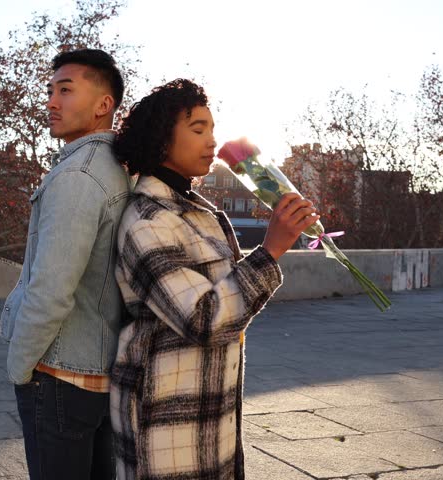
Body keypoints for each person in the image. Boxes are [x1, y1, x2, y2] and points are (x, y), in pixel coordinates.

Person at [109, 79, 319, 480]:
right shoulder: (147, 220)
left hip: (210, 415)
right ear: (162, 139)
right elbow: (204, 318)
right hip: (165, 420)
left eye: (212, 129)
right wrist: (271, 250)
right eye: (197, 129)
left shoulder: (197, 210)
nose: (211, 141)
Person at [0, 48, 131, 480]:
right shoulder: (119, 169)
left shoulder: (77, 175)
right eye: (51, 91)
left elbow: (52, 289)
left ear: (103, 105)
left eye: (66, 90)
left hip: (59, 375)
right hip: (99, 375)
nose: (52, 101)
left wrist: (21, 367)